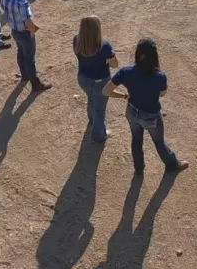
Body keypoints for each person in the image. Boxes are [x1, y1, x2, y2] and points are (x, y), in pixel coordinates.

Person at [103, 38, 189, 176]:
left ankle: (139, 169)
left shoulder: (126, 72)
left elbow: (106, 91)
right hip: (152, 115)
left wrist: (124, 96)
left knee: (136, 140)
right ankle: (172, 164)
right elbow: (163, 93)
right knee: (159, 142)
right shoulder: (160, 76)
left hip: (132, 111)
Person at [3, 0, 52, 92]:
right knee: (30, 58)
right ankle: (35, 84)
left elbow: (3, 7)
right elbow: (27, 19)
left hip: (15, 31)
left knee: (20, 53)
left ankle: (24, 75)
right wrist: (32, 31)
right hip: (24, 33)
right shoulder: (23, 2)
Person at [74, 15, 119, 143]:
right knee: (100, 109)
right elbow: (114, 64)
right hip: (101, 81)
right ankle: (99, 135)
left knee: (91, 98)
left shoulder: (76, 40)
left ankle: (92, 121)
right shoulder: (104, 46)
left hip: (83, 79)